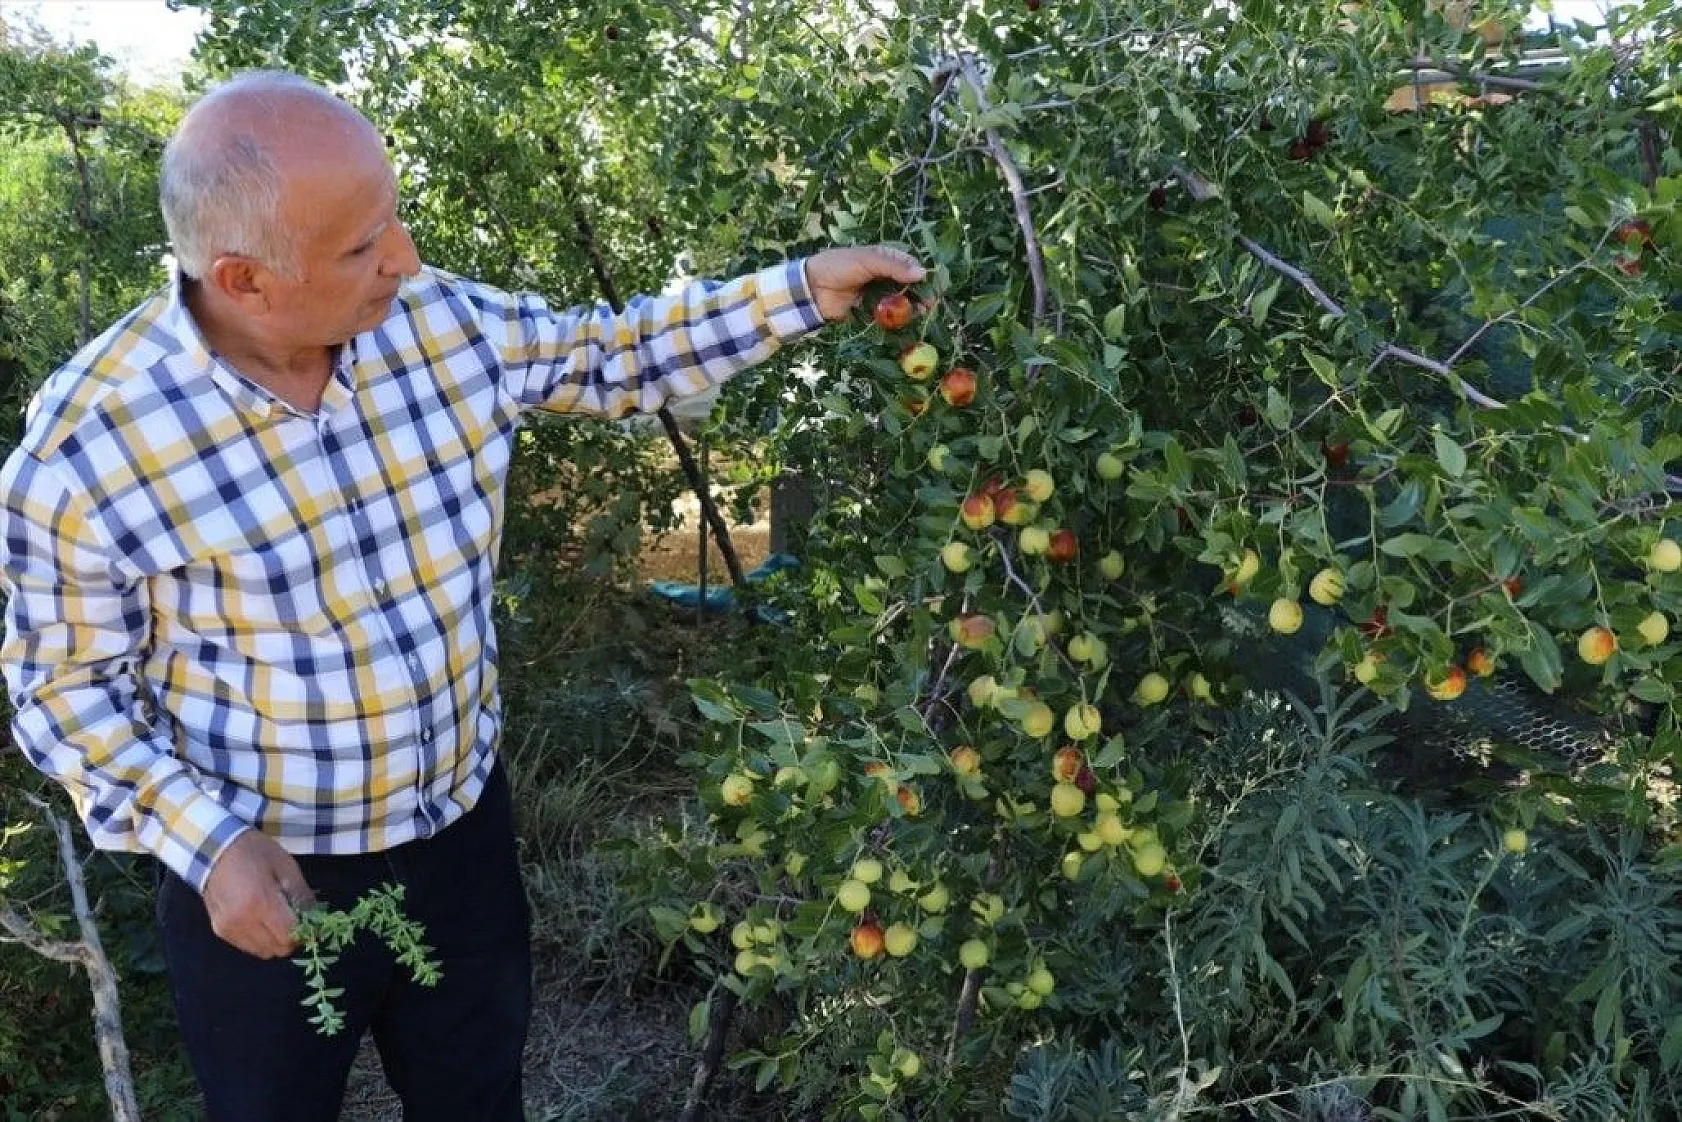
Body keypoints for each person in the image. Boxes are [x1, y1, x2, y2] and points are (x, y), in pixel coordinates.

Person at [0, 69, 923, 1122]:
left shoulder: (437, 325)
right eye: (361, 248)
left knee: (476, 1095)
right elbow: (62, 688)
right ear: (243, 278)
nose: (406, 260)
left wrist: (800, 288)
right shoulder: (92, 447)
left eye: (392, 219)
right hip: (263, 878)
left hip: (459, 841)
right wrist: (206, 848)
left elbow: (613, 352)